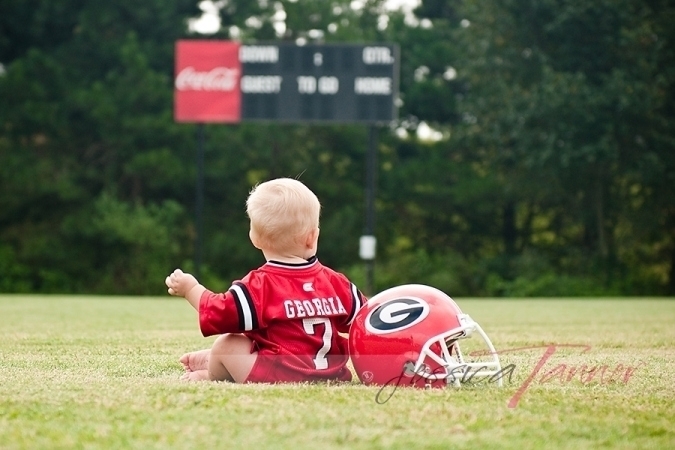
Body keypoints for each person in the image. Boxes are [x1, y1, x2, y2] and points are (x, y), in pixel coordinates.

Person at [165, 177, 366, 383]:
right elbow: (366, 320)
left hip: (279, 376)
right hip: (332, 375)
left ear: (255, 238)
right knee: (254, 337)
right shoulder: (335, 282)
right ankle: (210, 360)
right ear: (312, 236)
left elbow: (220, 311)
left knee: (226, 345)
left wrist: (190, 288)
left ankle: (211, 374)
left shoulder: (261, 285)